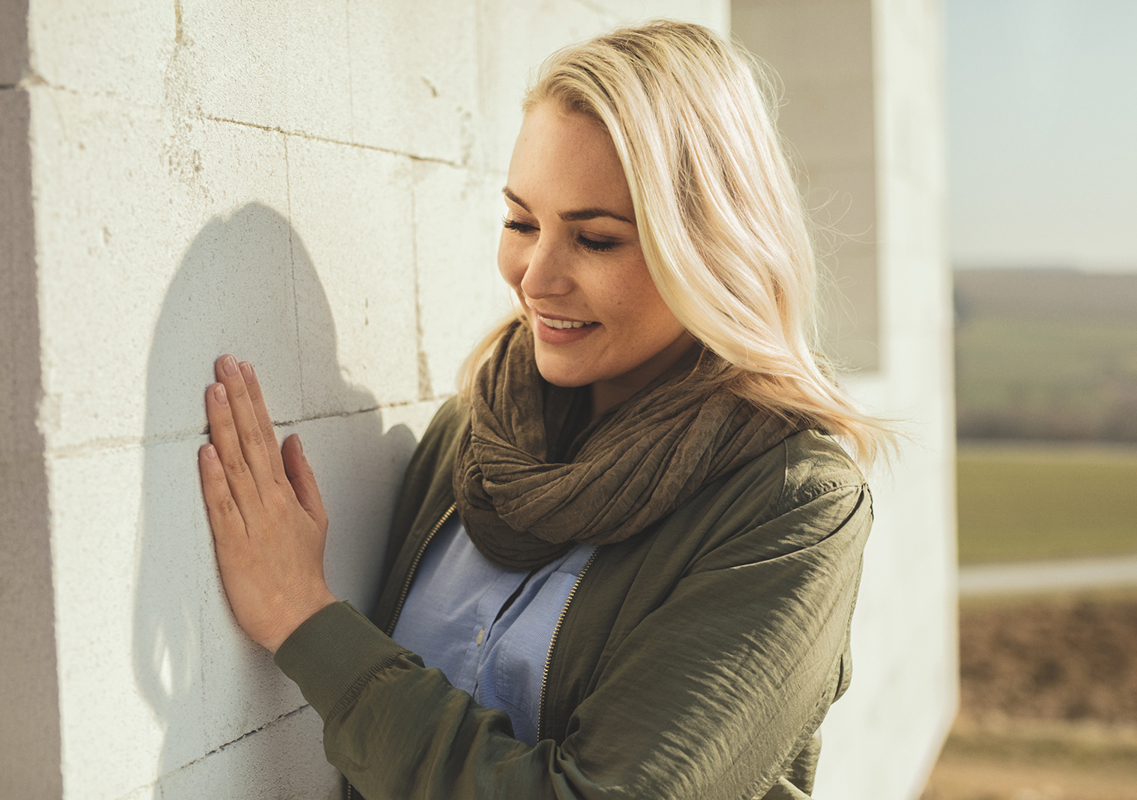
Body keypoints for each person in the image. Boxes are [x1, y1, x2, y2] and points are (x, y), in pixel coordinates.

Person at [198, 20, 890, 800]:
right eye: (522, 222)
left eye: (595, 239)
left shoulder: (792, 508)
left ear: (710, 249)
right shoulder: (469, 435)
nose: (535, 276)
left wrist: (306, 619)